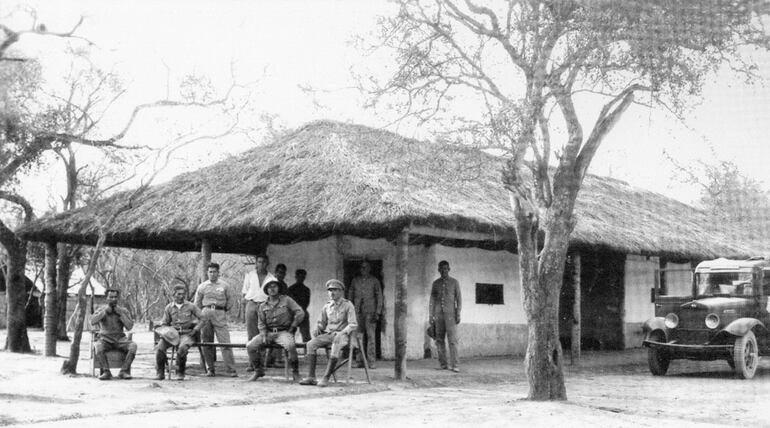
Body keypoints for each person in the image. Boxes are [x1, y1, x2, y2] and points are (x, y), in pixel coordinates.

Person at [299, 279, 357, 387]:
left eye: (335, 290)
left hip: (343, 335)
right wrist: (317, 328)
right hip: (329, 334)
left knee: (336, 344)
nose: (332, 293)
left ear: (341, 292)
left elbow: (353, 324)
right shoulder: (327, 306)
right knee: (310, 344)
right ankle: (311, 377)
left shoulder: (348, 305)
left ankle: (326, 377)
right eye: (330, 290)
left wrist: (342, 333)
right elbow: (322, 323)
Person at [245, 280, 304, 382]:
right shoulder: (263, 306)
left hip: (283, 332)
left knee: (290, 346)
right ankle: (258, 371)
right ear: (267, 290)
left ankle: (295, 372)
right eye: (269, 287)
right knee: (250, 346)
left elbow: (300, 312)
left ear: (279, 289)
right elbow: (261, 323)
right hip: (268, 333)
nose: (272, 289)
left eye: (274, 286)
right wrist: (263, 335)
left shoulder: (287, 300)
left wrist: (293, 326)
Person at [194, 262, 238, 377]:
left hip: (219, 313)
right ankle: (210, 369)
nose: (212, 274)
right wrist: (200, 315)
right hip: (206, 313)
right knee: (206, 342)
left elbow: (230, 300)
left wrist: (223, 310)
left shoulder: (224, 285)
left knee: (225, 342)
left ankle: (231, 369)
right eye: (210, 272)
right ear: (207, 273)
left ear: (219, 272)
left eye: (215, 272)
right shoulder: (202, 286)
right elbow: (197, 303)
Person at [155, 284, 204, 381]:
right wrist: (166, 331)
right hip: (172, 335)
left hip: (186, 334)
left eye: (183, 294)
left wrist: (196, 329)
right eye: (179, 294)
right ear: (174, 295)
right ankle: (160, 373)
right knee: (160, 348)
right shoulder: (169, 307)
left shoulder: (191, 306)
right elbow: (164, 323)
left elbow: (203, 318)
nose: (181, 296)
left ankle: (180, 372)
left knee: (182, 349)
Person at [90, 288, 137, 380]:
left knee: (133, 346)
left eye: (115, 297)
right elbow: (92, 321)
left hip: (120, 339)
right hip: (105, 339)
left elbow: (129, 326)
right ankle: (106, 371)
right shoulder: (101, 309)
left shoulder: (123, 310)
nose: (113, 299)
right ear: (106, 298)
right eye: (111, 297)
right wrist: (104, 313)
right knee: (98, 346)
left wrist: (121, 314)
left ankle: (124, 371)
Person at [242, 254, 277, 371]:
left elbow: (275, 295)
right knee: (251, 334)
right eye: (259, 262)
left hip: (265, 305)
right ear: (256, 263)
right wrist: (247, 307)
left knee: (263, 334)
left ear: (267, 263)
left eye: (263, 262)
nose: (261, 264)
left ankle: (261, 364)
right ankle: (252, 363)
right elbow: (244, 292)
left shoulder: (272, 278)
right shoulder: (250, 275)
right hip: (252, 303)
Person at [429, 260, 462, 372]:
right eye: (441, 269)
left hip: (450, 316)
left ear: (449, 269)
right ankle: (443, 364)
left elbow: (459, 299)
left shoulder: (454, 282)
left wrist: (458, 313)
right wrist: (431, 315)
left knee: (453, 341)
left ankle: (455, 365)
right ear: (438, 270)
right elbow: (432, 300)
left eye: (446, 268)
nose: (444, 271)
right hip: (438, 316)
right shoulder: (435, 283)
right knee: (439, 340)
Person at [349, 260, 383, 369]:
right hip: (358, 312)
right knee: (358, 337)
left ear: (369, 269)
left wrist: (378, 312)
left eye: (365, 267)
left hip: (370, 312)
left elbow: (379, 297)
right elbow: (350, 295)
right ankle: (359, 361)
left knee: (371, 337)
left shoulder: (374, 281)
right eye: (362, 267)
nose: (363, 269)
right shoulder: (355, 281)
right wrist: (350, 310)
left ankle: (371, 362)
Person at [266, 263, 289, 367]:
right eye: (279, 272)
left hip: (281, 313)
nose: (281, 275)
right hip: (270, 313)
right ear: (275, 273)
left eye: (283, 273)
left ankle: (277, 359)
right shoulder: (270, 284)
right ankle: (267, 360)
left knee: (280, 334)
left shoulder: (284, 285)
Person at [287, 269, 311, 343]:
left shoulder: (306, 290)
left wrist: (300, 312)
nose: (301, 278)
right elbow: (289, 303)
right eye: (299, 276)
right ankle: (289, 352)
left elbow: (306, 303)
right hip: (292, 313)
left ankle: (308, 352)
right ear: (296, 277)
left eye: (303, 277)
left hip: (302, 311)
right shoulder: (290, 289)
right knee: (289, 334)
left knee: (306, 335)